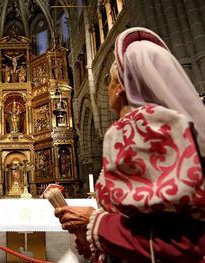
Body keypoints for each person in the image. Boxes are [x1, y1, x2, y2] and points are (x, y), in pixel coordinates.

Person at [54, 27, 205, 263]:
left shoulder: (147, 130)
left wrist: (96, 223)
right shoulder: (160, 129)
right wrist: (92, 238)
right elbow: (138, 218)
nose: (108, 87)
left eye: (110, 81)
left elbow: (185, 241)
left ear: (122, 86)